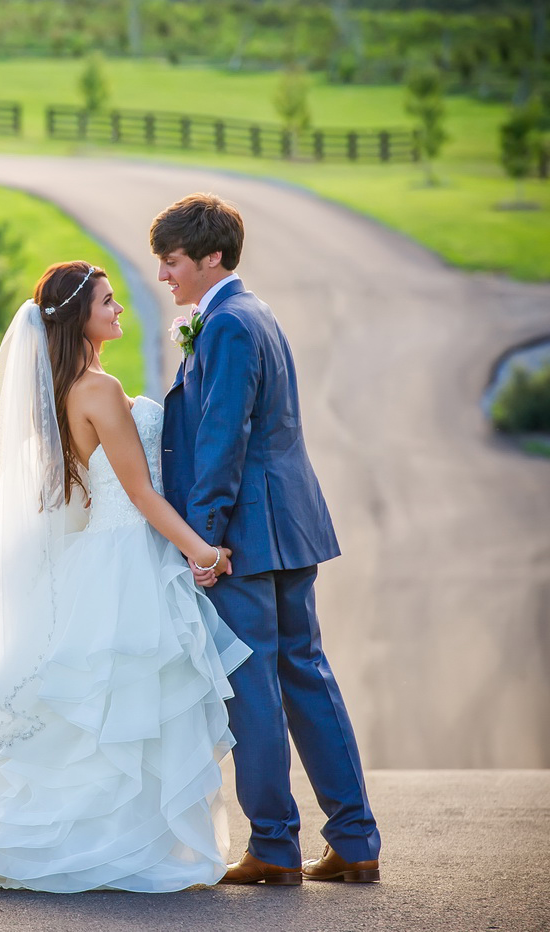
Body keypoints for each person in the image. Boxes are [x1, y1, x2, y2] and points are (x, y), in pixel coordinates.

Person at [0, 261, 251, 892]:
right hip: (123, 559)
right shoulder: (97, 389)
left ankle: (92, 844)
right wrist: (202, 550)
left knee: (101, 710)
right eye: (108, 302)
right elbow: (140, 493)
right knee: (123, 707)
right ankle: (115, 849)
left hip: (100, 553)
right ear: (79, 317)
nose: (119, 310)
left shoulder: (64, 389)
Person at [153, 192, 382, 885]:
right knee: (306, 677)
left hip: (246, 536)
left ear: (210, 256)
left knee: (252, 687)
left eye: (171, 262)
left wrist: (206, 539)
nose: (164, 276)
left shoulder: (224, 325)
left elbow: (225, 436)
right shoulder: (253, 312)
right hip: (289, 526)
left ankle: (275, 848)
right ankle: (356, 841)